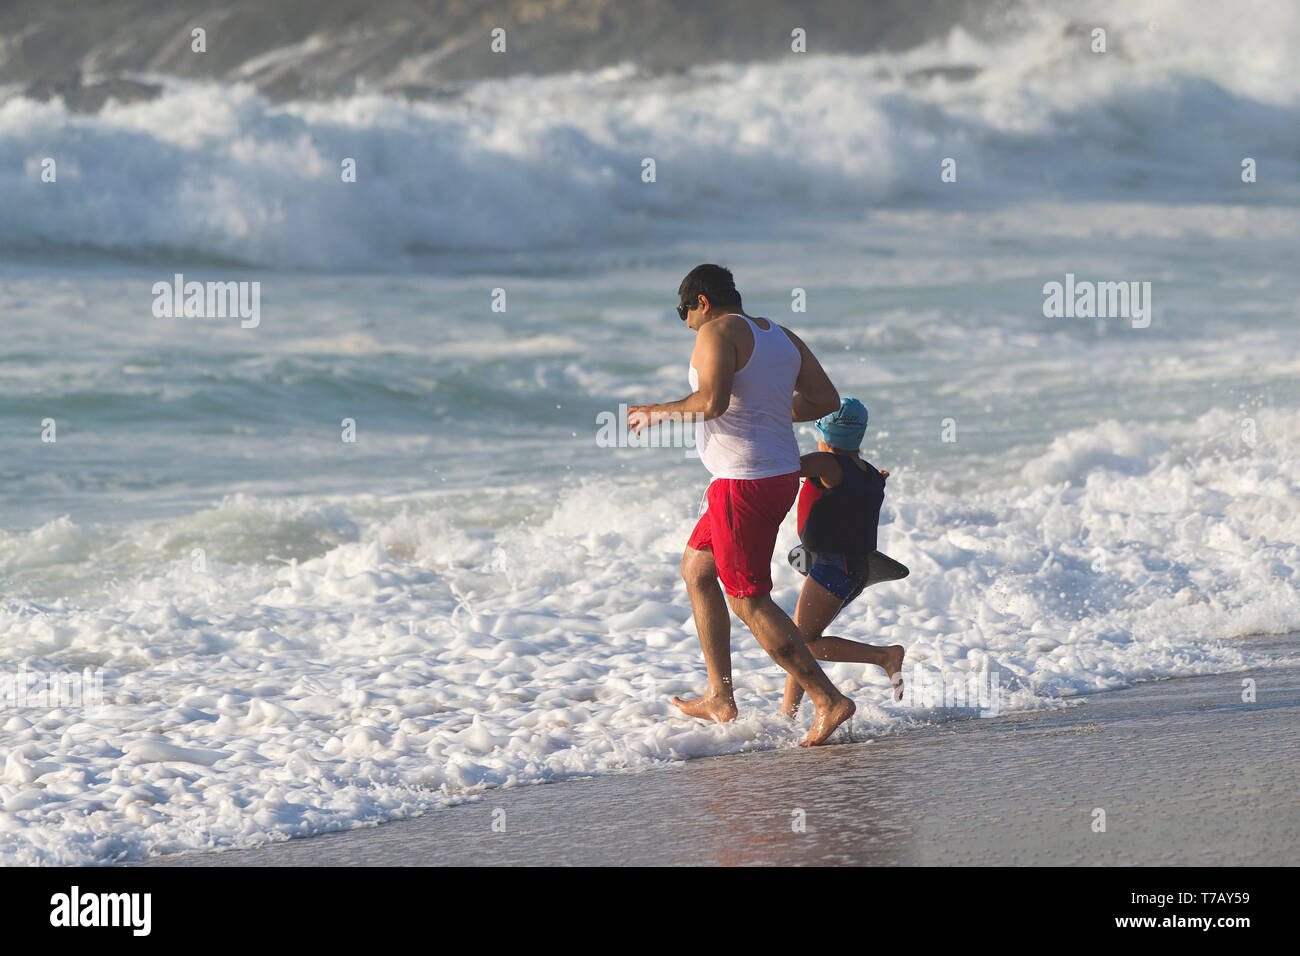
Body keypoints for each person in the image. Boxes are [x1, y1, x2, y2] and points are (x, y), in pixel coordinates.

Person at [627, 264, 855, 746]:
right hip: (776, 474)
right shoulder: (780, 335)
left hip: (743, 483)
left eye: (682, 311)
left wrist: (655, 412)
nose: (685, 321)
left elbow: (710, 402)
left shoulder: (715, 331)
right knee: (697, 569)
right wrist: (768, 406)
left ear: (702, 302)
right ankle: (719, 695)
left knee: (748, 600)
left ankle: (827, 699)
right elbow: (825, 398)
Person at [782, 398, 908, 718]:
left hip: (832, 567)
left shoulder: (827, 464)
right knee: (800, 636)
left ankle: (884, 656)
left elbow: (784, 466)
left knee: (801, 643)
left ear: (824, 433)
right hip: (856, 570)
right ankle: (787, 714)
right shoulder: (869, 474)